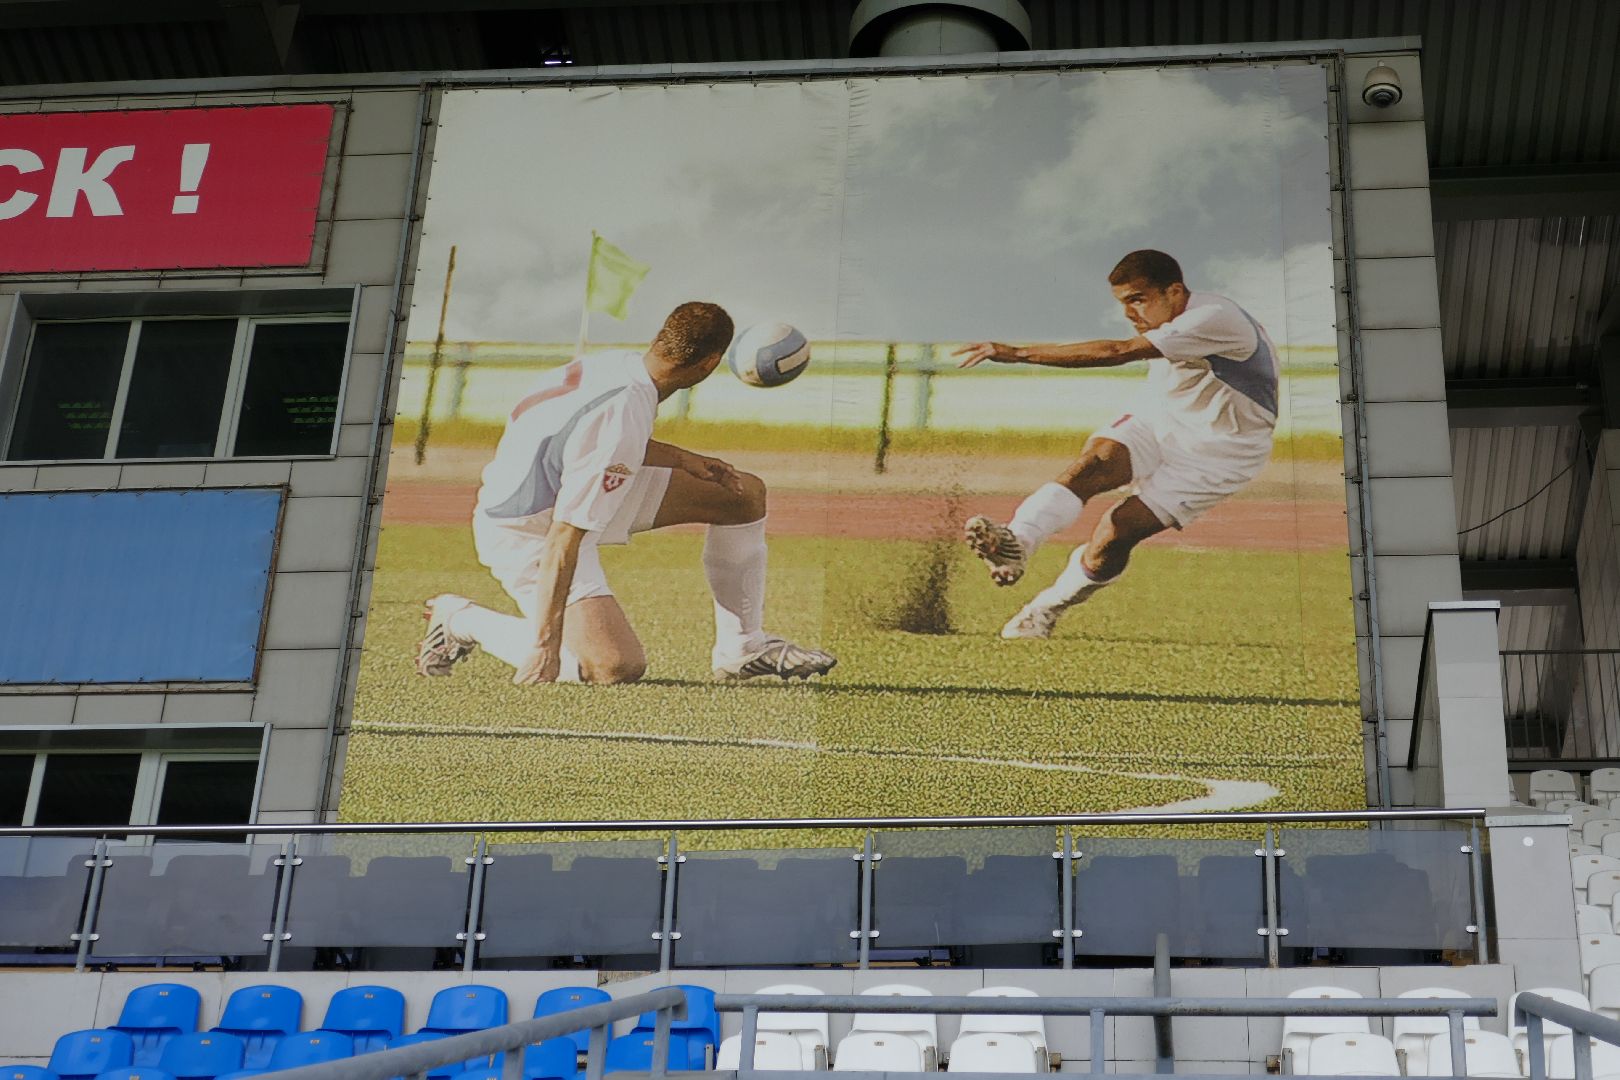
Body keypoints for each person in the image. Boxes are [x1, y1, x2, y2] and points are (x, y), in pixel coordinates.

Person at [416, 300, 836, 684]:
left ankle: (743, 650)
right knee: (613, 666)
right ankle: (459, 618)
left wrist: (681, 458)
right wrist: (545, 645)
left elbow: (588, 442)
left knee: (742, 495)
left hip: (563, 492)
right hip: (527, 532)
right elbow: (565, 538)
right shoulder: (623, 412)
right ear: (710, 364)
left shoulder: (615, 366)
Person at [953, 249, 1278, 639]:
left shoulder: (1213, 318)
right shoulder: (1173, 321)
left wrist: (1018, 353)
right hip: (1159, 416)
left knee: (1116, 532)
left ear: (1174, 292)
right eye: (1123, 303)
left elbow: (1117, 352)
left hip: (1219, 451)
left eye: (1138, 299)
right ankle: (1016, 542)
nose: (1130, 314)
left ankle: (1044, 609)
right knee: (1092, 465)